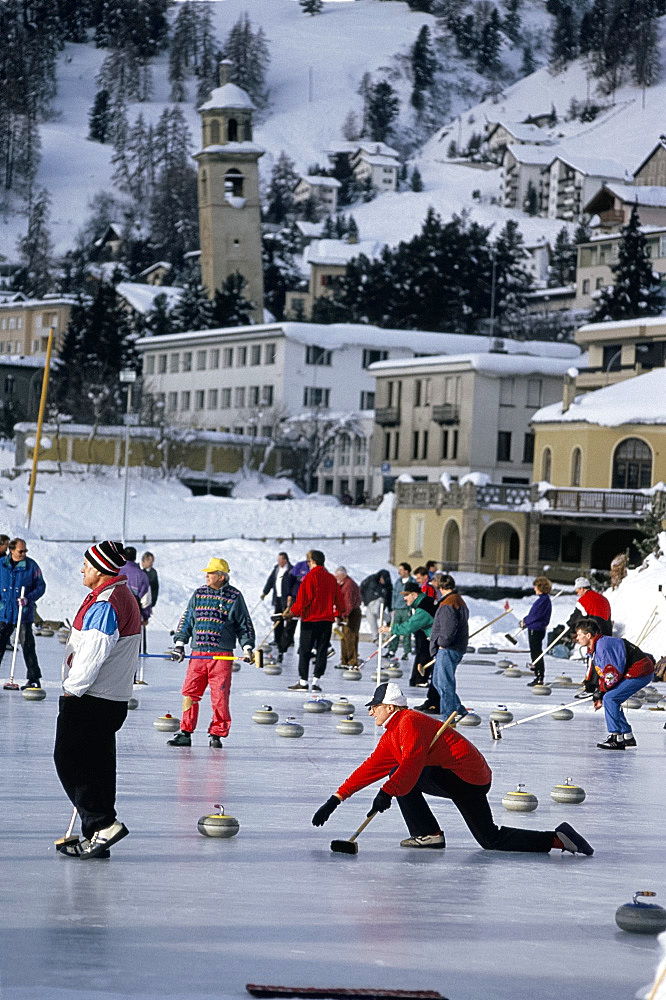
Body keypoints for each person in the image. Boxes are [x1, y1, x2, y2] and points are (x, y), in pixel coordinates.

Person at [312, 681, 594, 858]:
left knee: (401, 774)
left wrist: (388, 792)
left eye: (374, 707)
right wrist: (335, 799)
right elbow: (371, 767)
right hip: (457, 776)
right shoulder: (392, 731)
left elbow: (410, 764)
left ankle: (429, 834)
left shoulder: (409, 722)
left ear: (388, 706)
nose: (371, 712)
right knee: (489, 839)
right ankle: (558, 839)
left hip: (466, 776)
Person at [54, 540, 141, 859]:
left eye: (87, 565)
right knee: (97, 766)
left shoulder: (106, 602)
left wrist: (72, 689)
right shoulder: (118, 595)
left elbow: (92, 654)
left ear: (102, 569)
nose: (82, 569)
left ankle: (102, 822)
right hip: (109, 699)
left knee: (69, 760)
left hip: (92, 697)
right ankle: (98, 833)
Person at [167, 557, 255, 748]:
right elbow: (187, 620)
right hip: (198, 653)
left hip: (221, 655)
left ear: (222, 576)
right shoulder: (198, 595)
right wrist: (180, 644)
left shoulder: (234, 597)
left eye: (211, 573)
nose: (207, 576)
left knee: (220, 696)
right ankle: (185, 732)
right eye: (207, 573)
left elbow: (244, 624)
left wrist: (247, 648)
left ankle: (217, 733)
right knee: (189, 693)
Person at [575, 618, 655, 750]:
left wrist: (601, 693)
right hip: (632, 670)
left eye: (579, 635)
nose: (577, 638)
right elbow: (603, 673)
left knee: (610, 698)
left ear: (588, 635)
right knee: (611, 698)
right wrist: (599, 692)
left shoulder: (603, 647)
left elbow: (612, 674)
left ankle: (616, 737)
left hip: (640, 671)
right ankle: (627, 736)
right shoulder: (596, 647)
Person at [283, 550, 342, 692]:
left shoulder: (310, 577)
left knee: (305, 650)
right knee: (322, 650)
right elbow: (338, 598)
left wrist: (292, 612)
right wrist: (339, 612)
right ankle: (316, 681)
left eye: (309, 561)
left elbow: (303, 599)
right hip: (326, 620)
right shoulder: (331, 578)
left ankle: (303, 681)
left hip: (310, 620)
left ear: (313, 561)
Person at [379, 581, 438, 702]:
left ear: (414, 595)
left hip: (442, 642)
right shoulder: (423, 603)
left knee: (439, 676)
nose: (404, 598)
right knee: (436, 674)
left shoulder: (423, 608)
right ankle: (432, 701)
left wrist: (390, 629)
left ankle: (436, 703)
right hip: (438, 640)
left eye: (406, 595)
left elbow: (409, 626)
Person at [0, 537, 46, 689]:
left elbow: (41, 586)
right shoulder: (1, 565)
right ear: (11, 550)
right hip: (4, 614)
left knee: (28, 646)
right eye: (21, 551)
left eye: (25, 550)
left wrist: (28, 599)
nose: (24, 553)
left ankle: (34, 679)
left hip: (23, 614)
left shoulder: (31, 566)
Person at [429, 573, 469, 722]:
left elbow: (448, 628)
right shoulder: (457, 600)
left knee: (444, 684)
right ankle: (458, 708)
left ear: (440, 587)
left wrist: (441, 644)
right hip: (453, 647)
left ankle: (448, 717)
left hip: (448, 649)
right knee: (438, 682)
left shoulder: (449, 604)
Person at [261, 551, 298, 662]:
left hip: (287, 599)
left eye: (280, 560)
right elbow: (271, 581)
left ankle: (289, 640)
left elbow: (294, 585)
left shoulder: (291, 570)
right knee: (277, 618)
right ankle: (277, 639)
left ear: (285, 560)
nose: (278, 562)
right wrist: (265, 592)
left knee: (288, 619)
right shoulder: (276, 569)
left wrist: (291, 598)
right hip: (277, 597)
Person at [520, 576, 552, 686]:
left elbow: (535, 615)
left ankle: (539, 675)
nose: (534, 589)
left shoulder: (543, 601)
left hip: (536, 629)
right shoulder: (543, 600)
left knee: (536, 652)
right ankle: (538, 674)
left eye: (535, 586)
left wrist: (526, 621)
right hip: (536, 627)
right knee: (535, 651)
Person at [334, 566, 362, 668]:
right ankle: (344, 660)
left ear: (344, 575)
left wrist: (344, 615)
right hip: (345, 613)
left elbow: (348, 602)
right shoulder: (342, 584)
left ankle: (351, 660)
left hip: (351, 613)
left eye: (338, 576)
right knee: (344, 637)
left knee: (350, 637)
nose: (336, 578)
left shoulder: (348, 585)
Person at [388, 562, 414, 660]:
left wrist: (411, 609)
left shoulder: (412, 582)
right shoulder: (397, 582)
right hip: (398, 609)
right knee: (394, 629)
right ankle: (392, 650)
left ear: (406, 571)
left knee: (407, 631)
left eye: (401, 570)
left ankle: (406, 651)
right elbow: (394, 595)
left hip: (407, 609)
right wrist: (393, 608)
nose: (399, 572)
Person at [119, 546, 151, 624]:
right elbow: (145, 599)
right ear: (135, 557)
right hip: (135, 616)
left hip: (117, 615)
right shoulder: (142, 575)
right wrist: (145, 616)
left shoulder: (115, 572)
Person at [360, 569, 392, 642]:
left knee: (376, 611)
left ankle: (388, 620)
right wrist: (363, 599)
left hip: (380, 600)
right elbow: (362, 587)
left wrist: (389, 609)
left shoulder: (388, 586)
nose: (382, 581)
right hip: (369, 603)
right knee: (370, 618)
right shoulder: (371, 580)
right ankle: (375, 637)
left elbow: (390, 597)